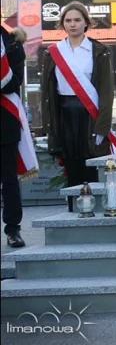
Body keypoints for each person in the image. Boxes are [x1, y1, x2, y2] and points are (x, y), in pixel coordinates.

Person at [41, 1, 114, 187]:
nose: (72, 24)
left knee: (90, 163)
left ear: (86, 23)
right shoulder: (53, 53)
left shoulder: (98, 52)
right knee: (70, 165)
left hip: (89, 114)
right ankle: (74, 208)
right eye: (68, 20)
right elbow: (47, 94)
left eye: (77, 20)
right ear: (62, 24)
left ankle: (92, 208)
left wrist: (102, 126)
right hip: (64, 114)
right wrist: (49, 127)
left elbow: (106, 92)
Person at [1, 26, 28, 247]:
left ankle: (13, 229)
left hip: (4, 122)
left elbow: (13, 82)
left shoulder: (12, 44)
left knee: (8, 180)